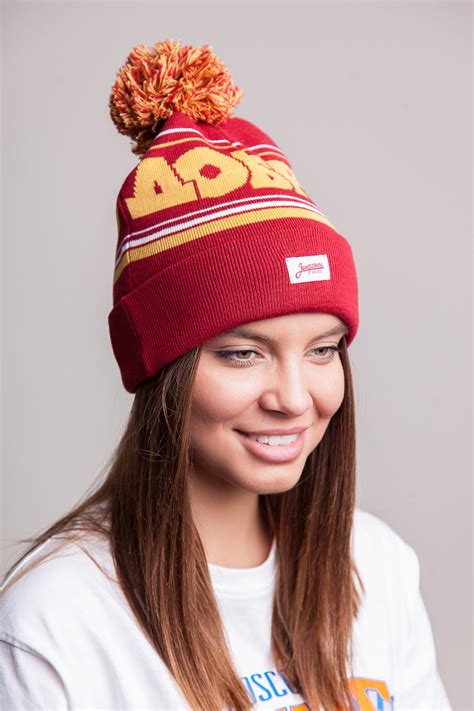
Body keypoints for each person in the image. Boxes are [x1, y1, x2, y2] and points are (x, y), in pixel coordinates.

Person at [0, 39, 452, 711]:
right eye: (243, 353)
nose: (294, 398)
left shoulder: (377, 566)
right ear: (163, 369)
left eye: (323, 350)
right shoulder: (54, 622)